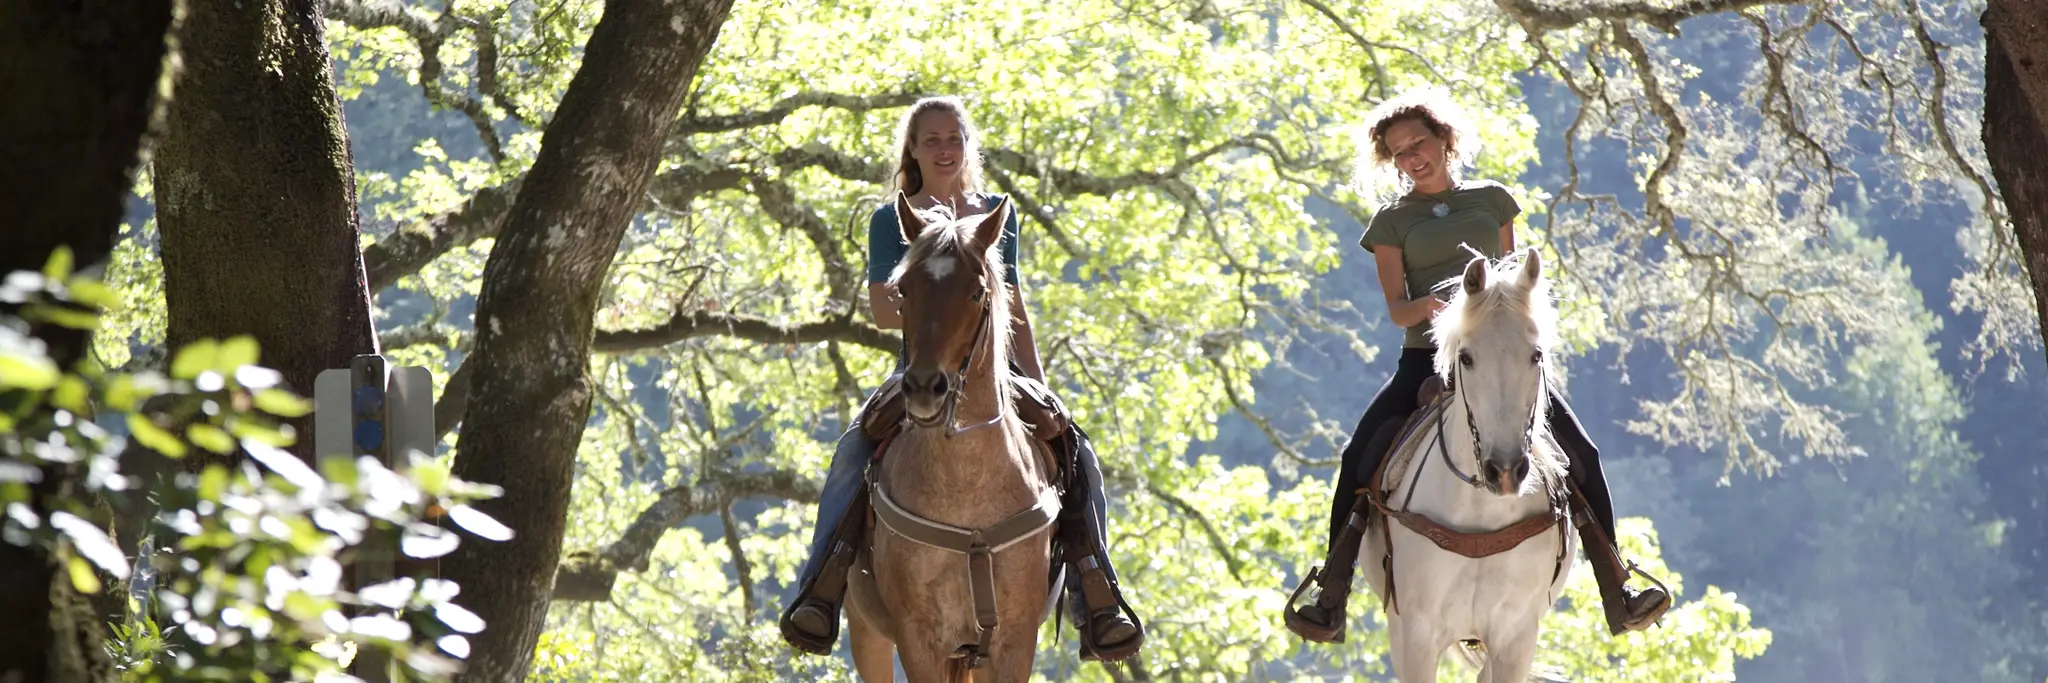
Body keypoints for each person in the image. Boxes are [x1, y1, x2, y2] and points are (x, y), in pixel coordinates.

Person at [1281, 87, 1671, 643]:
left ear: (1445, 139)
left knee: (1583, 452)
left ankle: (1618, 582)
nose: (1412, 156)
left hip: (1499, 357)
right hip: (1427, 360)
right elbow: (1398, 311)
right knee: (1358, 456)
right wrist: (1456, 306)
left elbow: (1513, 285)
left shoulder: (1492, 200)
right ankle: (1332, 589)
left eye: (1419, 141)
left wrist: (1496, 312)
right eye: (1399, 152)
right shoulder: (1391, 222)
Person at [777, 96, 1145, 662]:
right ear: (914, 150)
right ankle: (820, 590)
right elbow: (881, 310)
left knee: (1079, 453)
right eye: (932, 139)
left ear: (967, 146)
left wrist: (1041, 384)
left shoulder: (996, 212)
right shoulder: (891, 219)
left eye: (953, 138)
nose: (944, 148)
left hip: (997, 368)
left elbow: (1014, 304)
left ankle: (1096, 593)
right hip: (921, 365)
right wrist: (939, 302)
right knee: (853, 450)